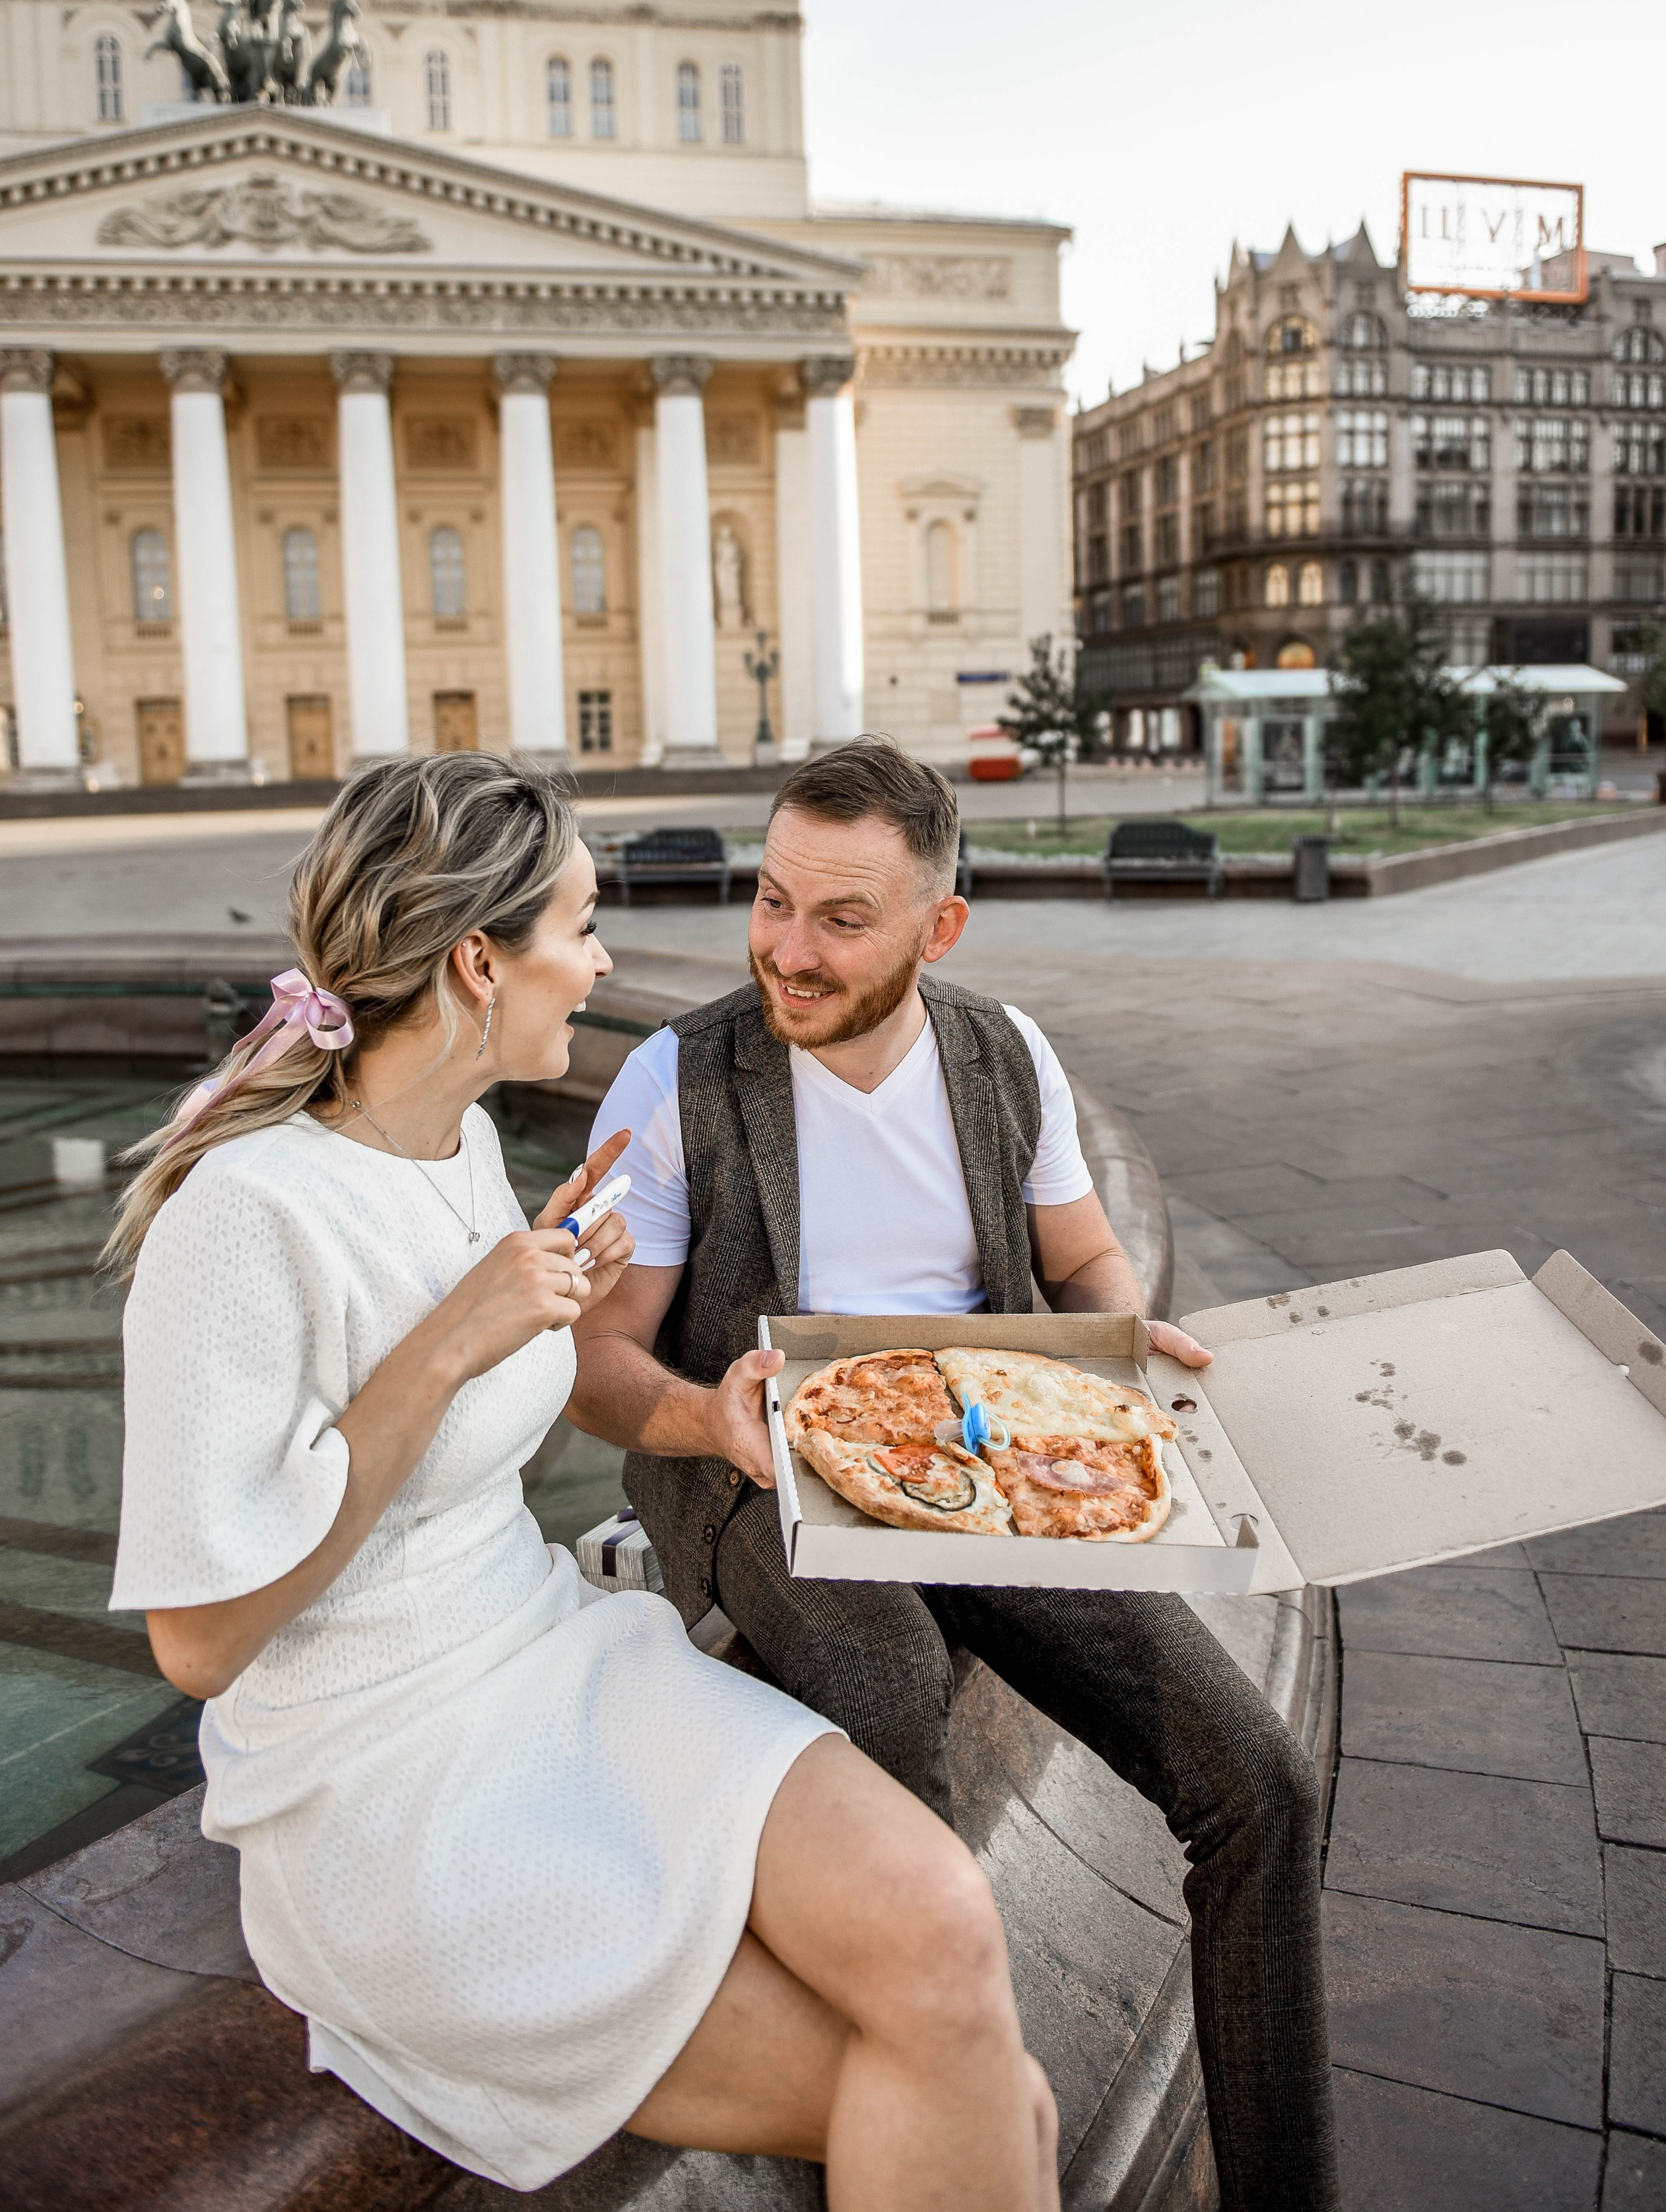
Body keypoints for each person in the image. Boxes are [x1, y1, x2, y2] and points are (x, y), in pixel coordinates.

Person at [109, 753, 1058, 2207]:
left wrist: (539, 1308)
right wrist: (451, 1340)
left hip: (557, 1660)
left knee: (946, 1921)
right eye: (582, 926)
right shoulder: (237, 1219)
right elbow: (201, 1643)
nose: (604, 962)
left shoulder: (465, 1145)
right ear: (481, 960)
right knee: (981, 2087)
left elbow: (449, 1480)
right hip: (387, 1781)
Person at [579, 736, 1341, 2212]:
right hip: (766, 1472)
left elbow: (1080, 1257)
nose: (786, 950)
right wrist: (708, 1419)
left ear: (938, 928)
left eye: (840, 919)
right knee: (883, 1702)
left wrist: (1123, 1337)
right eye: (773, 899)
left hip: (981, 1454)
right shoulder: (675, 1078)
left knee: (1260, 1782)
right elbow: (598, 1362)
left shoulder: (1003, 1051)